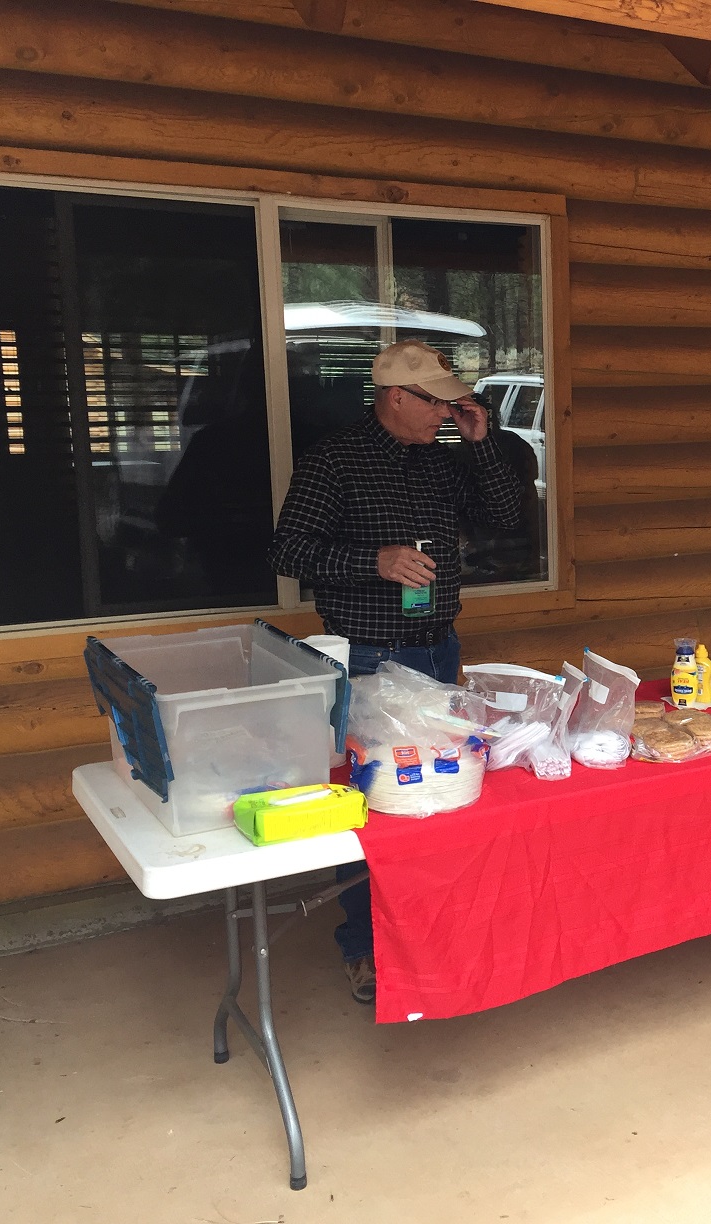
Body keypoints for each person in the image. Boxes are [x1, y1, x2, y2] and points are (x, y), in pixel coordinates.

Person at [269, 339, 522, 1005]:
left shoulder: (442, 459)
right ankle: (366, 948)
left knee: (442, 792)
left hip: (437, 649)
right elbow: (288, 548)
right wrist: (373, 561)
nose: (447, 411)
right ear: (396, 396)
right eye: (437, 402)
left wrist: (481, 443)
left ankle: (434, 930)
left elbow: (503, 518)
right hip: (369, 656)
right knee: (376, 803)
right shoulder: (335, 461)